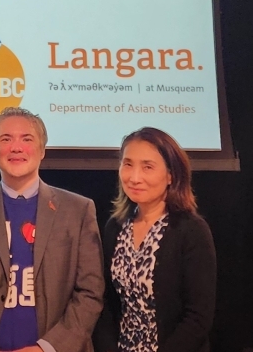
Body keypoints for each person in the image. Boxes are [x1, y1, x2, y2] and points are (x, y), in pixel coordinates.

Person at [0, 107, 104, 352]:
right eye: (5, 139)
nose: (16, 147)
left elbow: (91, 292)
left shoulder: (79, 210)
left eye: (26, 139)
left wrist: (47, 348)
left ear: (42, 150)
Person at [93, 127, 216, 352]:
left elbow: (198, 317)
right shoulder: (115, 227)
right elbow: (107, 306)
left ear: (171, 175)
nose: (134, 177)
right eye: (128, 164)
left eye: (148, 167)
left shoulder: (191, 230)